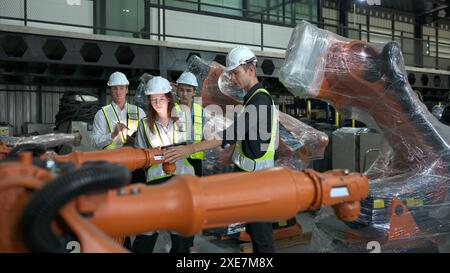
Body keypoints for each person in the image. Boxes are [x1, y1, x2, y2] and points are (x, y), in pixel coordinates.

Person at [165, 46, 278, 253]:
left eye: (236, 73)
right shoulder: (252, 99)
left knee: (262, 238)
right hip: (250, 177)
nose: (233, 79)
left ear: (250, 70)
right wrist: (230, 154)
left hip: (259, 181)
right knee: (255, 232)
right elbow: (245, 137)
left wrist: (189, 149)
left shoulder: (260, 100)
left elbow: (228, 134)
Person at [132, 76, 195, 253]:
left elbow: (189, 145)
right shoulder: (145, 124)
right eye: (153, 100)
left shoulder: (183, 117)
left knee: (179, 233)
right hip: (156, 182)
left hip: (182, 180)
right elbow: (140, 154)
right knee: (147, 230)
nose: (157, 103)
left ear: (169, 97)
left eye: (160, 99)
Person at [175, 71, 206, 252]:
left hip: (196, 163)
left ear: (194, 92)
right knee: (181, 204)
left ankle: (190, 243)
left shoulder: (200, 111)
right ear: (177, 91)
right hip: (179, 163)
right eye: (182, 90)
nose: (185, 94)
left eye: (188, 91)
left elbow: (207, 135)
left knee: (195, 204)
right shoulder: (173, 111)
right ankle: (179, 242)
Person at [91, 71, 146, 150]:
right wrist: (113, 134)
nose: (118, 92)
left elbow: (146, 139)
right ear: (110, 90)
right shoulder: (101, 114)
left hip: (135, 160)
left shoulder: (139, 113)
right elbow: (94, 143)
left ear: (126, 90)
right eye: (114, 88)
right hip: (111, 160)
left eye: (121, 88)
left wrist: (135, 141)